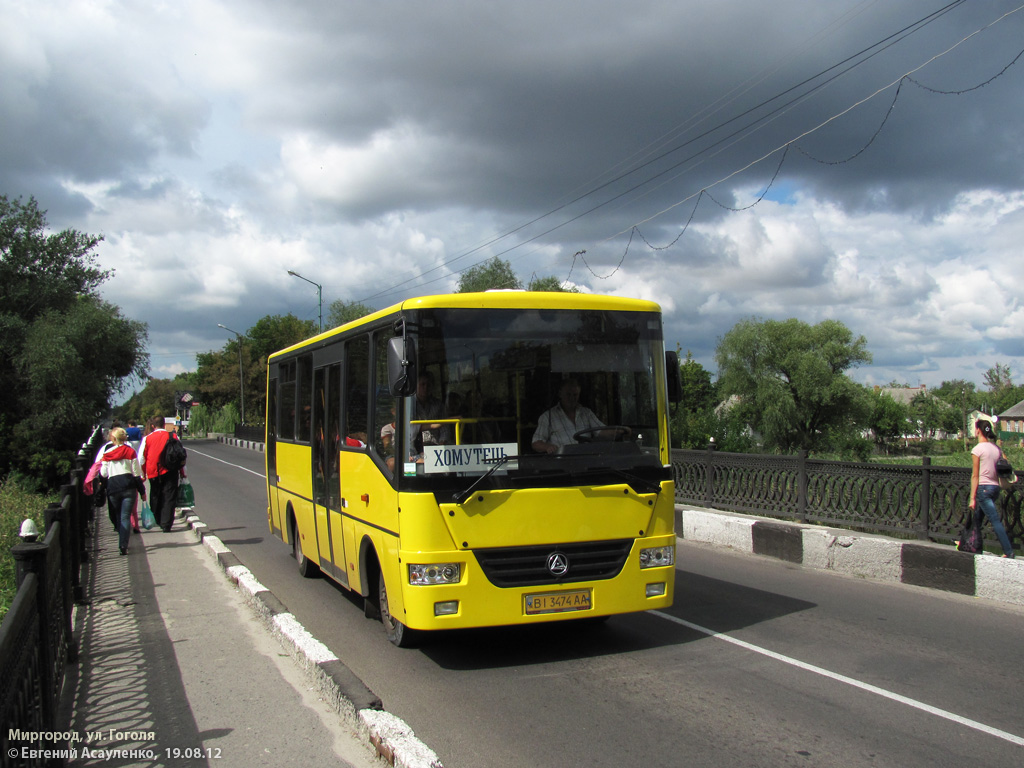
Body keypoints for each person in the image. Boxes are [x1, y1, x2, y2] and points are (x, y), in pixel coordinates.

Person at [969, 419, 1015, 558]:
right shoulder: (996, 448)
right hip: (995, 488)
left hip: (984, 489)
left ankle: (1008, 551)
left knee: (994, 520)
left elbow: (975, 475)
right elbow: (1007, 464)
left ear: (978, 430)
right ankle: (971, 545)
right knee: (977, 518)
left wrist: (972, 497)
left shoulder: (977, 449)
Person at [99, 427, 147, 555]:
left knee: (117, 516)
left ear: (113, 438)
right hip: (128, 487)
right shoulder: (131, 452)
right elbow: (137, 474)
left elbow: (103, 474)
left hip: (113, 488)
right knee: (125, 516)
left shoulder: (107, 454)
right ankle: (123, 544)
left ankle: (122, 538)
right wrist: (142, 492)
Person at [532, 378, 606, 454]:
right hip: (563, 462)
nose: (572, 398)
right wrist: (548, 447)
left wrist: (617, 431)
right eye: (568, 394)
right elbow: (536, 443)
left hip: (586, 459)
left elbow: (601, 431)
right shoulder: (548, 417)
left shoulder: (586, 413)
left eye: (575, 395)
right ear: (560, 394)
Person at [141, 415, 182, 533]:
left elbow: (142, 458)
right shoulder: (173, 436)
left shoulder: (147, 438)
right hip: (171, 470)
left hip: (153, 471)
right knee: (169, 496)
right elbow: (179, 454)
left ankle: (158, 519)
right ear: (164, 424)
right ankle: (166, 523)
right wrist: (183, 472)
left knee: (155, 495)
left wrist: (142, 473)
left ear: (153, 426)